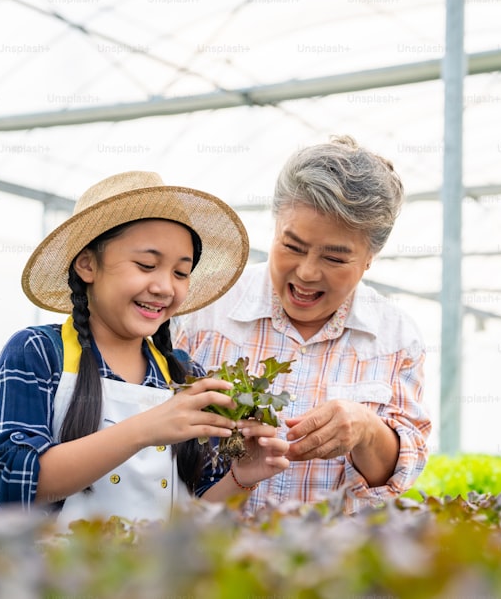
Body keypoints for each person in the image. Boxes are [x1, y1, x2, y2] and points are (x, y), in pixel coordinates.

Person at [0, 171, 290, 526]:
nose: (164, 287)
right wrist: (144, 429)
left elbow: (195, 515)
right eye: (146, 265)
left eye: (180, 272)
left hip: (144, 578)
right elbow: (14, 480)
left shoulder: (185, 374)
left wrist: (241, 476)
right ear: (87, 264)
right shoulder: (38, 352)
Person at [174, 136, 432, 514]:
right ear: (275, 226)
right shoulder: (206, 310)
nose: (308, 272)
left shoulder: (395, 338)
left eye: (335, 258)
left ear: (369, 259)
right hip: (209, 556)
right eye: (292, 246)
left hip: (329, 563)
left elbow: (399, 472)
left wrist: (364, 427)